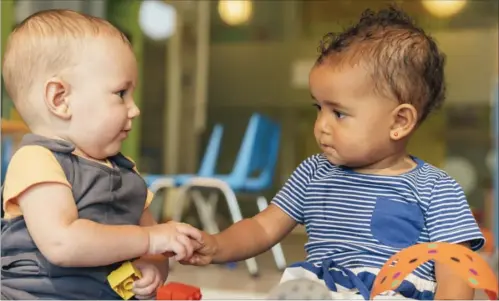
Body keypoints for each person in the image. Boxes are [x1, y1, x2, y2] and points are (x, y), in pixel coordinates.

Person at [184, 6, 485, 300]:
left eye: (339, 113)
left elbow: (455, 270)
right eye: (319, 108)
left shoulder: (436, 189)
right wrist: (217, 245)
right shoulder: (314, 172)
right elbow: (262, 227)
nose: (321, 126)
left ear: (399, 122)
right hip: (320, 291)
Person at [1, 9, 202, 300]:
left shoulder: (127, 174)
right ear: (60, 99)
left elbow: (154, 243)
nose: (134, 109)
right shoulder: (37, 160)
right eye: (121, 94)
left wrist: (154, 265)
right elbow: (62, 242)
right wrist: (147, 240)